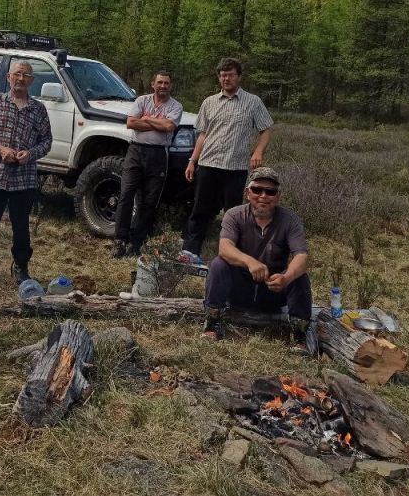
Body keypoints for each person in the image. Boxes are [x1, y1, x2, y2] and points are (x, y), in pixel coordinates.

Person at [201, 167, 312, 341]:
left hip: (273, 290)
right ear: (248, 193)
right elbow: (224, 248)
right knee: (218, 264)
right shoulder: (234, 215)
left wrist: (286, 278)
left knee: (299, 276)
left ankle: (299, 335)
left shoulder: (290, 221)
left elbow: (302, 257)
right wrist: (249, 262)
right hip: (238, 289)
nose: (263, 196)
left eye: (270, 192)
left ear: (278, 196)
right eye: (257, 190)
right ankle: (212, 323)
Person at [0, 60, 53, 284]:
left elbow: (47, 141)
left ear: (32, 81)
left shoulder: (38, 109)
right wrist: (0, 149)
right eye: (17, 74)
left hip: (24, 179)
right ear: (8, 77)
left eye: (26, 75)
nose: (21, 79)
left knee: (21, 226)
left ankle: (21, 267)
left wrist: (31, 154)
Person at [183, 57, 273, 256]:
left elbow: (266, 130)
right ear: (219, 78)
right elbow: (203, 135)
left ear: (239, 77)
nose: (226, 79)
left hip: (235, 168)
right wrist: (192, 161)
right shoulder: (209, 102)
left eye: (230, 75)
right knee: (199, 210)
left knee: (233, 213)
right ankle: (189, 253)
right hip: (208, 164)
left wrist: (258, 151)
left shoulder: (253, 102)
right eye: (223, 75)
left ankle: (230, 255)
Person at [112, 70, 183, 258]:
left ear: (171, 86)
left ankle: (137, 243)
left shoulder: (176, 106)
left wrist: (146, 119)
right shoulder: (141, 101)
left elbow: (169, 127)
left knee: (150, 202)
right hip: (136, 151)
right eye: (160, 82)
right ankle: (120, 240)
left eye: (166, 83)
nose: (163, 86)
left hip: (158, 155)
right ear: (153, 84)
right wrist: (158, 123)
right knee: (126, 195)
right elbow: (131, 123)